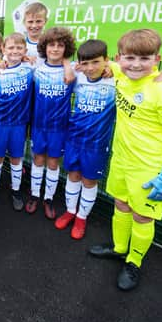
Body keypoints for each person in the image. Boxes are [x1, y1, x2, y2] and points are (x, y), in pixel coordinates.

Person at [89, 29, 162, 292]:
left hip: (149, 167)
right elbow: (94, 62)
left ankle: (134, 261)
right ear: (119, 57)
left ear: (157, 58)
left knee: (143, 216)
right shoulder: (120, 72)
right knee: (120, 203)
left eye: (145, 58)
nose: (136, 64)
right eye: (130, 57)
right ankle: (120, 248)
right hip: (121, 158)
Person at [54, 39, 116, 239]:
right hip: (74, 138)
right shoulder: (78, 76)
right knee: (72, 175)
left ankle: (82, 217)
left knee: (89, 180)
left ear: (106, 60)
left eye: (96, 62)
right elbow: (62, 62)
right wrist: (69, 65)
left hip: (97, 144)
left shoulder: (116, 80)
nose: (90, 68)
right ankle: (71, 211)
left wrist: (113, 67)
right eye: (86, 63)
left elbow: (134, 70)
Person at [27, 27, 76, 217]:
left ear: (66, 48)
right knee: (38, 159)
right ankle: (34, 195)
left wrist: (67, 64)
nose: (55, 49)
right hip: (39, 125)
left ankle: (48, 198)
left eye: (60, 45)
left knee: (53, 162)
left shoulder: (73, 72)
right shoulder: (36, 69)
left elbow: (101, 69)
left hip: (59, 128)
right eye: (51, 45)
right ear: (44, 47)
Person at [0, 33, 34, 210]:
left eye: (19, 48)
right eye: (11, 48)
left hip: (19, 124)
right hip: (0, 122)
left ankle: (16, 191)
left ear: (25, 50)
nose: (15, 51)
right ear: (4, 50)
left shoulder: (30, 68)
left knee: (16, 158)